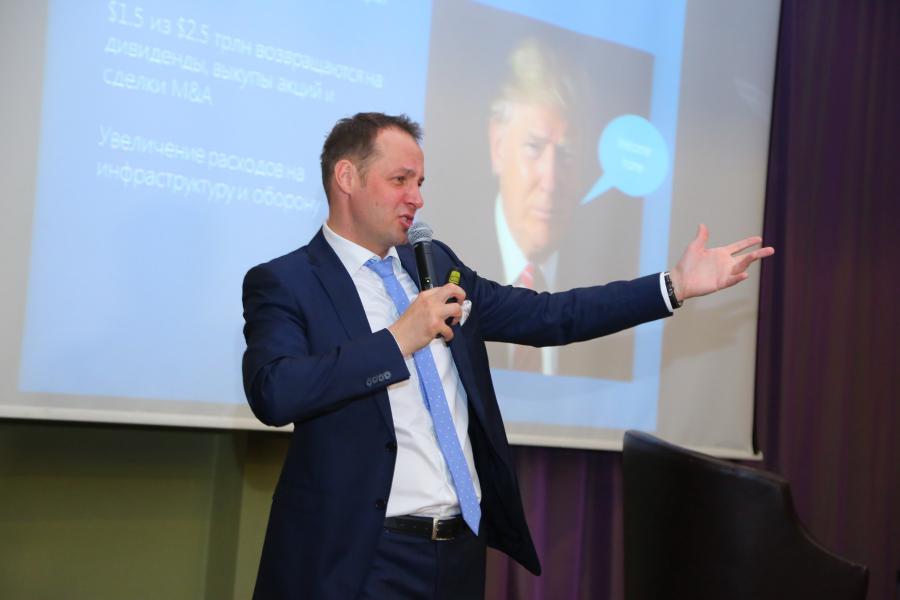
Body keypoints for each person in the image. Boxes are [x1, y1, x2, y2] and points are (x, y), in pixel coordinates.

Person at [241, 112, 773, 599]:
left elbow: (548, 315)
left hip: (458, 553)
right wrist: (398, 340)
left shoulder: (432, 264)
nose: (417, 198)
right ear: (347, 177)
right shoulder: (286, 282)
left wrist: (673, 285)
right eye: (400, 180)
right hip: (360, 561)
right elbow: (274, 391)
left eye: (420, 182)